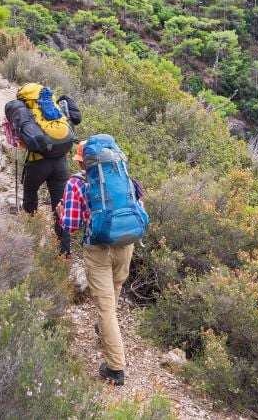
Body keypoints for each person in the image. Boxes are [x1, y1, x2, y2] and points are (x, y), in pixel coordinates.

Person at [60, 139, 146, 386]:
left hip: (98, 249)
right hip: (126, 244)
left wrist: (60, 213)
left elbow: (72, 225)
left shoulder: (76, 184)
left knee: (105, 308)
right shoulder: (122, 177)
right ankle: (105, 330)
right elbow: (140, 209)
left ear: (83, 162)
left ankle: (115, 368)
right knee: (115, 289)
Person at [6, 83, 80, 254]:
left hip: (38, 162)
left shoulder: (27, 110)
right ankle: (64, 253)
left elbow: (24, 141)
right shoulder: (52, 106)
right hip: (60, 162)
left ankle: (28, 243)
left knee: (30, 198)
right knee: (60, 206)